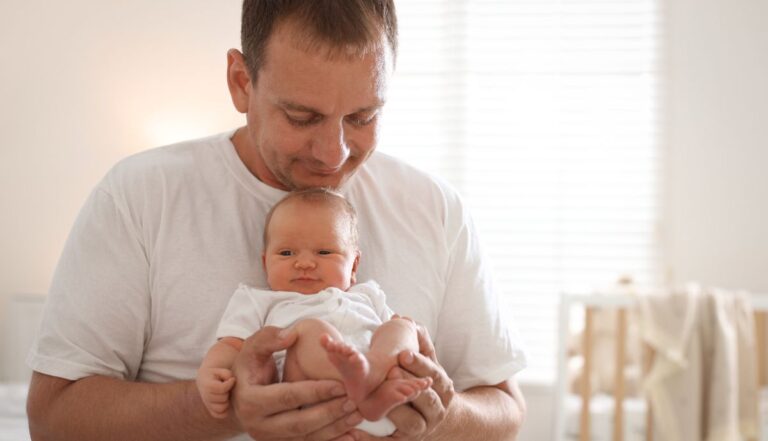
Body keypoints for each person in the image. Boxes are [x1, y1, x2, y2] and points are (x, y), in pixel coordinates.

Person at [26, 1, 528, 440]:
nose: (333, 155)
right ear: (242, 82)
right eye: (302, 117)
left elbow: (505, 409)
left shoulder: (434, 207)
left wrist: (444, 416)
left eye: (363, 117)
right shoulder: (140, 195)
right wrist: (225, 412)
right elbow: (53, 417)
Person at [197, 188, 432, 436]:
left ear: (354, 266)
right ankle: (364, 383)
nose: (305, 263)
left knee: (403, 326)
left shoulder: (368, 294)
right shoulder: (259, 299)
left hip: (391, 406)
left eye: (324, 252)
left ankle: (372, 375)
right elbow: (231, 346)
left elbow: (396, 337)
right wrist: (210, 373)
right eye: (287, 253)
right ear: (266, 263)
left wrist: (408, 335)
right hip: (313, 406)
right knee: (308, 330)